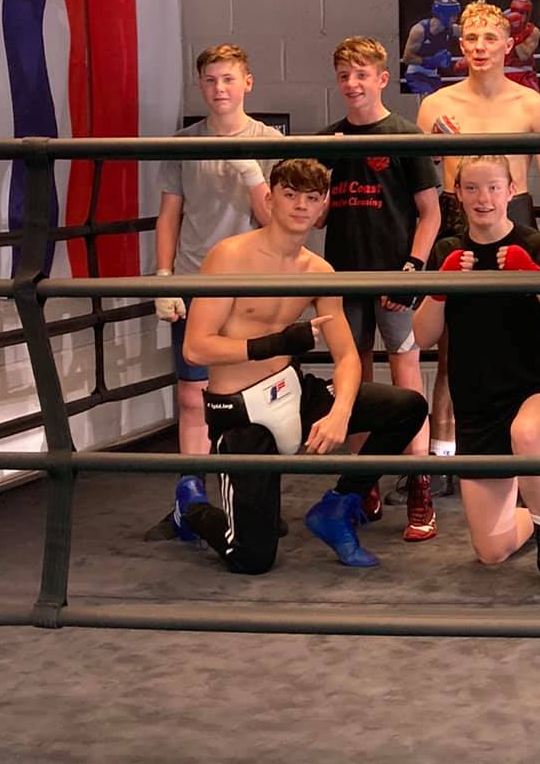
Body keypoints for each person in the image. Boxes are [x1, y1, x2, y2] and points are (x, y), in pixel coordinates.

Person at [172, 159, 428, 574]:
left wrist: (341, 412)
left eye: (311, 197)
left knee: (407, 406)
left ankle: (337, 508)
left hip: (290, 391)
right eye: (290, 195)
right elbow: (196, 349)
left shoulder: (319, 271)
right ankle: (192, 508)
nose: (300, 206)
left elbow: (347, 356)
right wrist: (276, 343)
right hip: (240, 413)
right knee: (252, 558)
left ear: (324, 205)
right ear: (270, 199)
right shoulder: (231, 256)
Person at [412, 153, 540, 597]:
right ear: (458, 193)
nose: (483, 198)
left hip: (537, 391)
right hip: (478, 407)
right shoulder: (447, 252)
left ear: (511, 191)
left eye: (493, 187)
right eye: (472, 188)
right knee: (491, 551)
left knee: (527, 434)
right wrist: (440, 288)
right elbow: (423, 336)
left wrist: (535, 278)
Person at [418, 1, 540, 491]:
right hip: (454, 217)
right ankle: (443, 457)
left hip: (517, 216)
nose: (481, 47)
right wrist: (437, 151)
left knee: (520, 335)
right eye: (472, 39)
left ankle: (533, 453)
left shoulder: (530, 104)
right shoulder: (436, 104)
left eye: (490, 38)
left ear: (509, 44)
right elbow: (422, 179)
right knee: (451, 347)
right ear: (461, 45)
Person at [322, 37, 441, 543]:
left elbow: (430, 213)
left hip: (395, 275)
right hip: (345, 276)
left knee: (406, 376)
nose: (353, 84)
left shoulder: (404, 134)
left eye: (361, 74)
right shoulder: (328, 139)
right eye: (344, 75)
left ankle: (419, 483)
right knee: (355, 381)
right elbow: (316, 214)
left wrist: (412, 269)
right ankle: (361, 482)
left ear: (382, 78)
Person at [153, 44, 281, 465]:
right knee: (192, 394)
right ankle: (191, 487)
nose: (219, 88)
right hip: (196, 279)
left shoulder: (270, 141)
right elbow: (169, 216)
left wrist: (253, 176)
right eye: (210, 80)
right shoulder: (184, 144)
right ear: (200, 85)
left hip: (252, 284)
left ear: (247, 83)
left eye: (228, 79)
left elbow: (276, 222)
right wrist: (164, 277)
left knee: (250, 389)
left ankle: (246, 485)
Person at [401, 0, 463, 95]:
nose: (456, 19)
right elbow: (407, 58)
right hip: (416, 74)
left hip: (433, 75)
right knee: (428, 96)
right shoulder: (419, 30)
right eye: (453, 16)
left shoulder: (452, 29)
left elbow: (471, 32)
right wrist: (429, 61)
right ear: (443, 15)